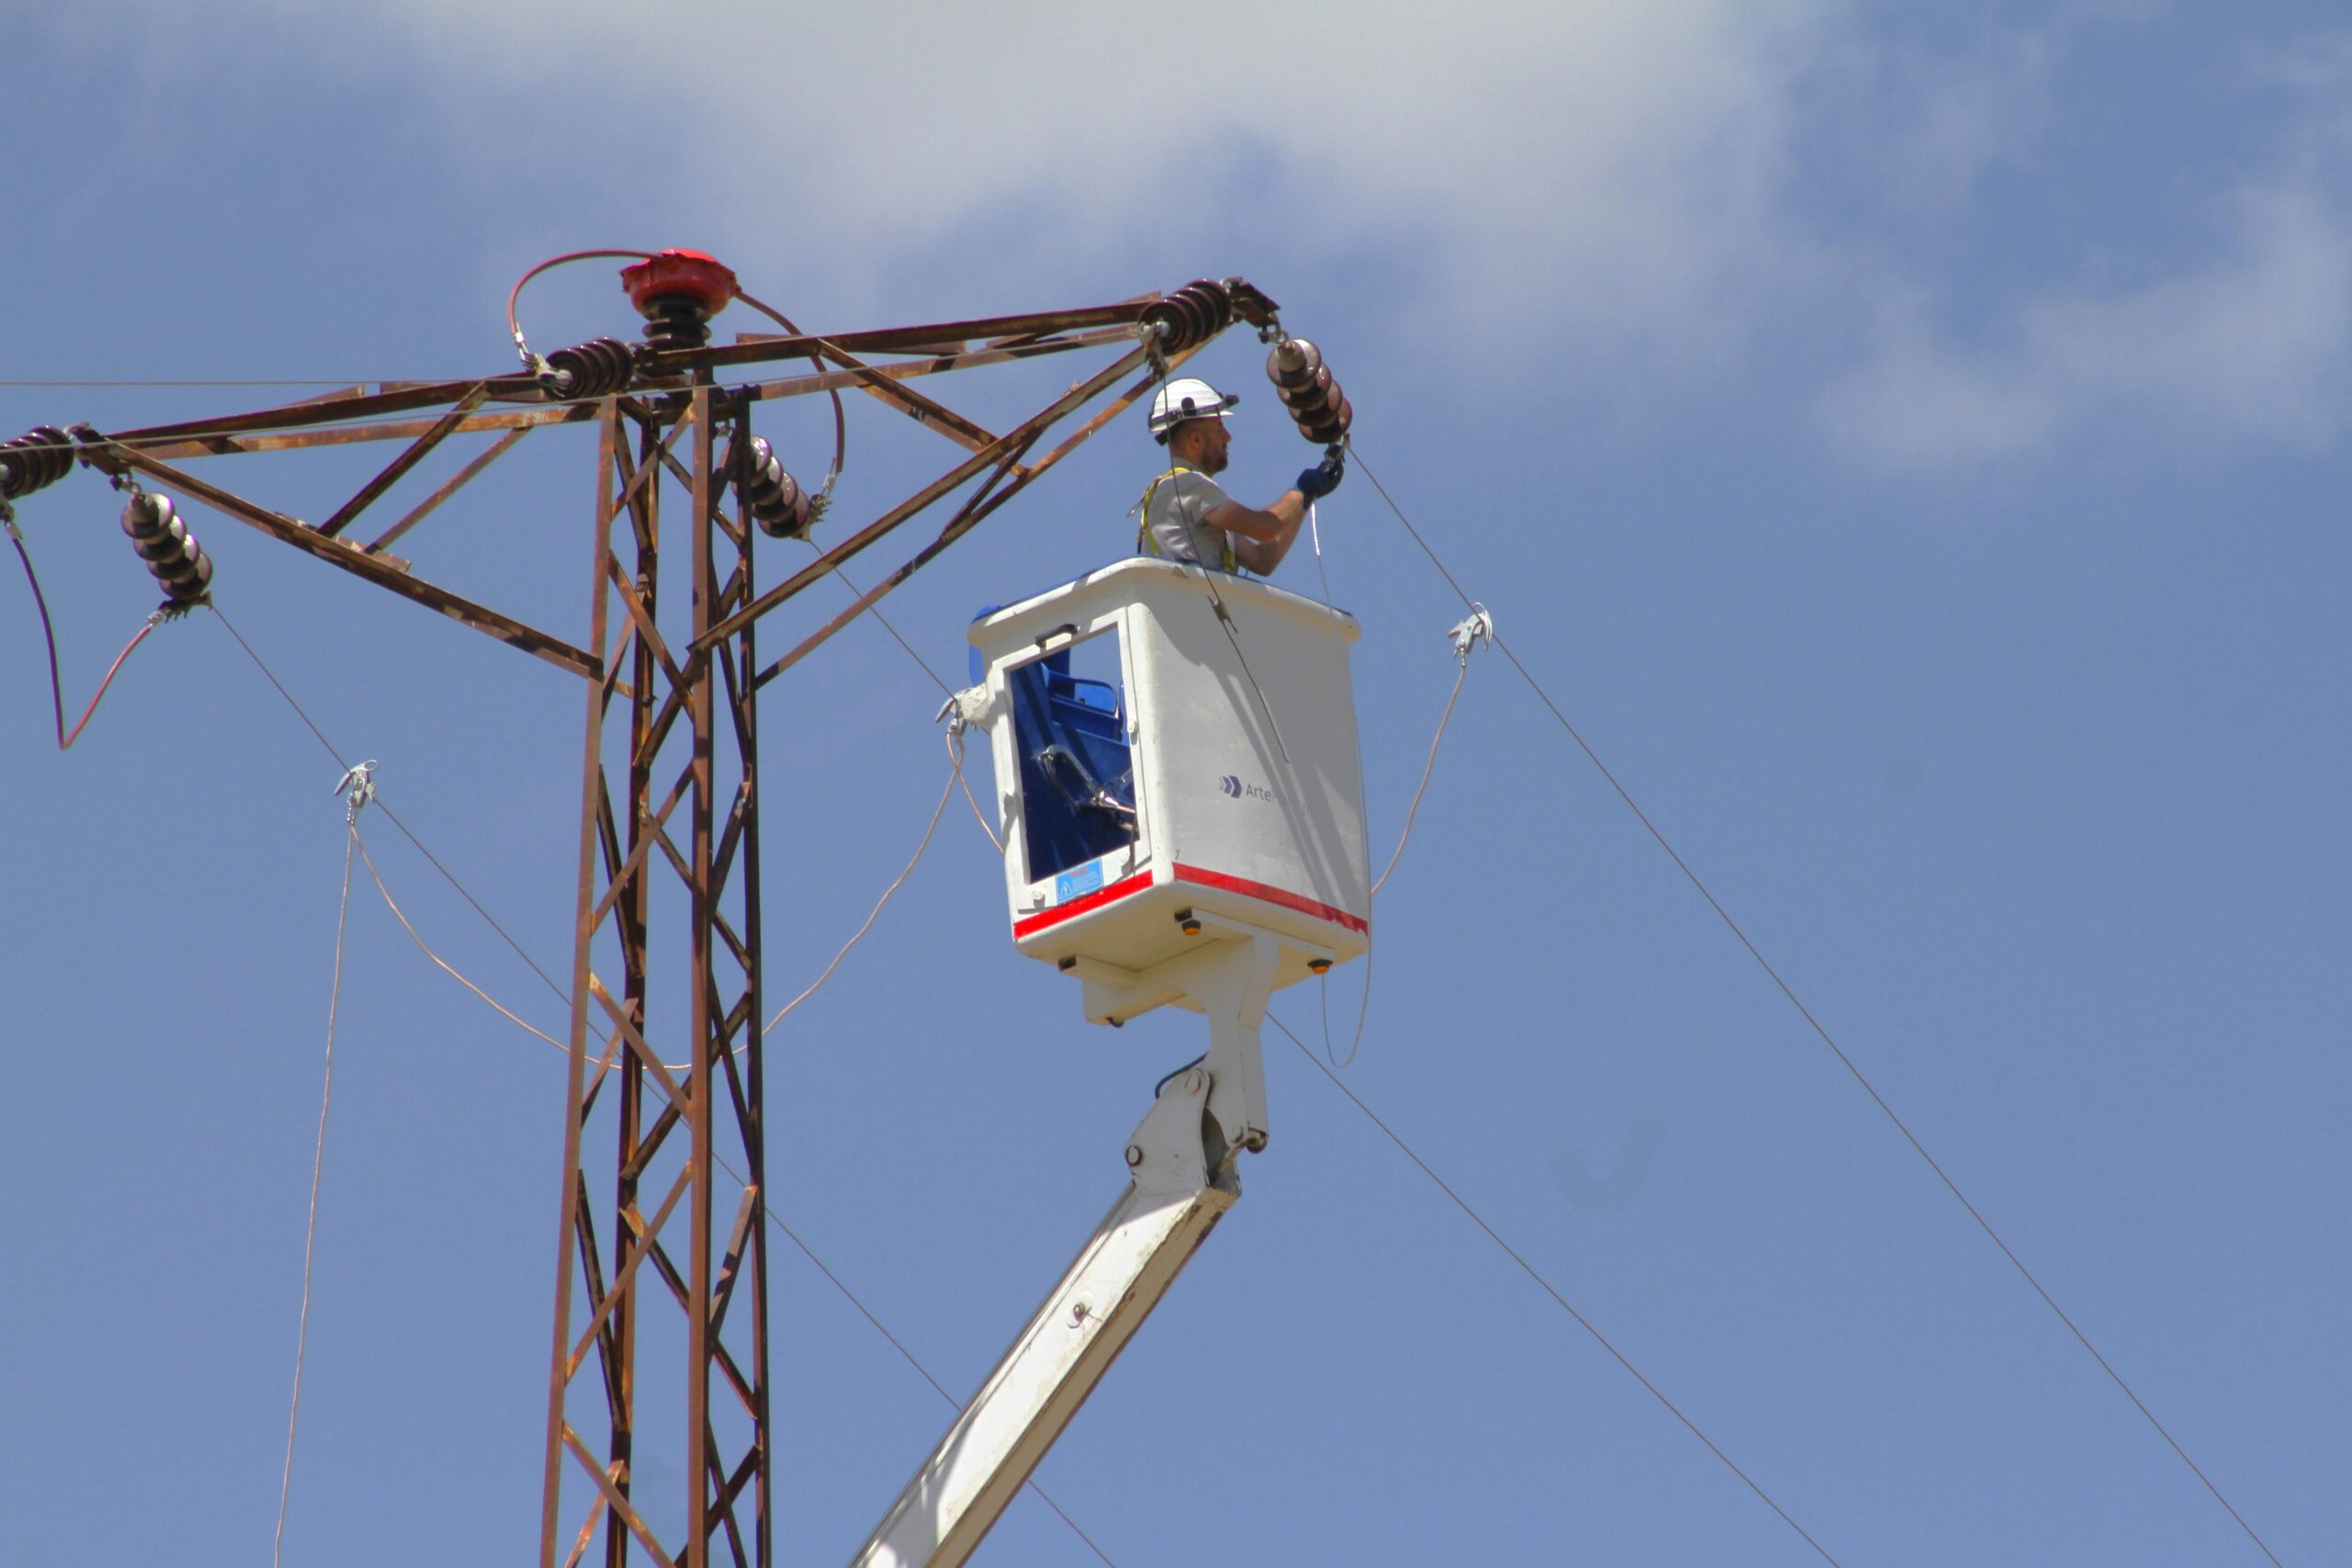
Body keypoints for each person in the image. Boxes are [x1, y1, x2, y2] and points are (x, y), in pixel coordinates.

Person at [1137, 376, 1344, 576]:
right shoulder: (1184, 484)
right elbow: (1266, 527)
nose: (1228, 437)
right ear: (1196, 439)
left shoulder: (1200, 507)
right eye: (1219, 428)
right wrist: (1302, 489)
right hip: (1189, 604)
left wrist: (1302, 502)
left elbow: (1262, 560)